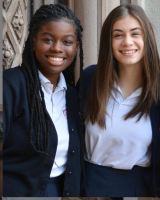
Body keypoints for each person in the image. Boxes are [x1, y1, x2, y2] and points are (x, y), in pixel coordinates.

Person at [80, 4, 160, 197]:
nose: (127, 42)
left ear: (147, 39)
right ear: (108, 41)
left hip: (141, 190)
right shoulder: (90, 79)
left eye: (135, 34)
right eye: (118, 35)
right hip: (90, 187)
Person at [3, 4, 84, 197]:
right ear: (32, 41)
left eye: (67, 41)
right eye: (47, 39)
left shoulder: (72, 96)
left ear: (76, 47)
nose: (57, 48)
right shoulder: (10, 85)